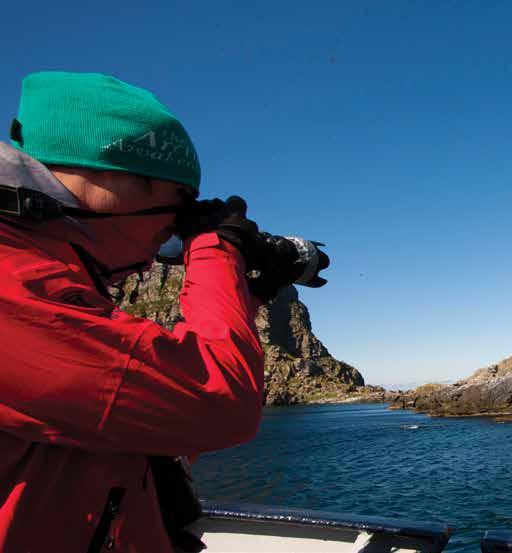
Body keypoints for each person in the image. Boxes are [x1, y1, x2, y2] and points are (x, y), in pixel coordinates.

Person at [0, 72, 302, 552]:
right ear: (106, 176)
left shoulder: (45, 276)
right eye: (178, 201)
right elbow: (220, 404)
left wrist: (249, 297)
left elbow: (151, 417)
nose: (175, 227)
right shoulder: (14, 284)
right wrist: (214, 247)